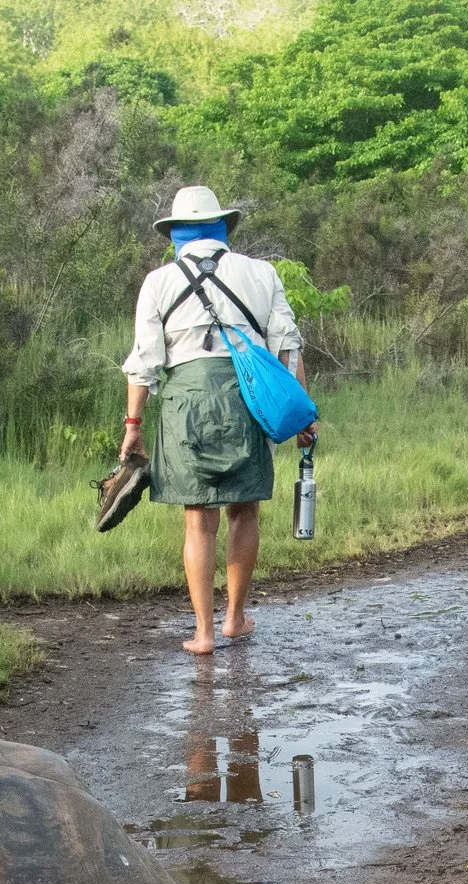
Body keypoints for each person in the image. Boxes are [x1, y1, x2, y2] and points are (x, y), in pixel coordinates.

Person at [121, 186, 312, 655]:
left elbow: (145, 363)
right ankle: (235, 619)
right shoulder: (261, 272)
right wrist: (303, 411)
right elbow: (288, 347)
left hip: (186, 402)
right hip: (247, 397)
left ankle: (203, 633)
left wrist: (133, 426)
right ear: (223, 228)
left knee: (197, 519)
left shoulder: (158, 281)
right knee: (244, 510)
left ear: (176, 233)